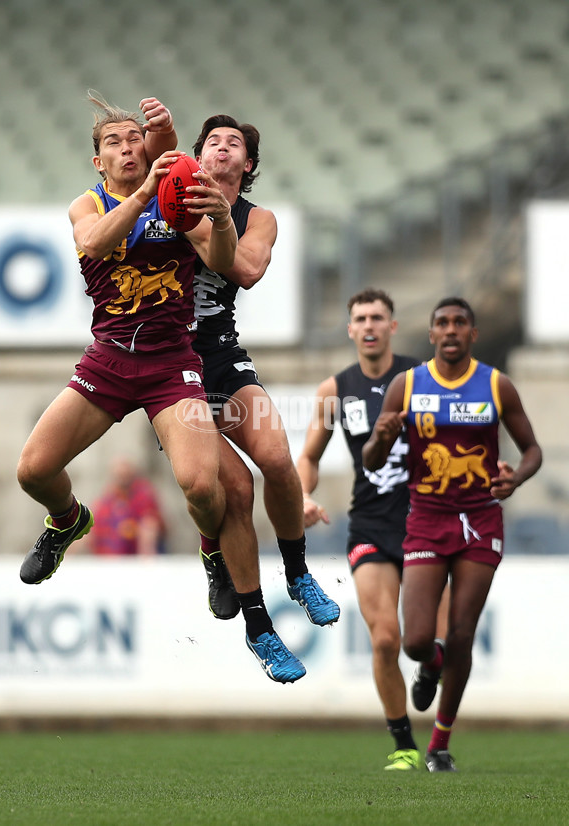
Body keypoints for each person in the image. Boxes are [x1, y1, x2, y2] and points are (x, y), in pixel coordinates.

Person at [16, 93, 236, 608]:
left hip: (171, 363)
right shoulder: (88, 204)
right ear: (100, 161)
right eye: (114, 142)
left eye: (136, 139)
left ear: (147, 146)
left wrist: (222, 220)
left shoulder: (177, 197)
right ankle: (68, 521)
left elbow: (222, 260)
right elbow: (94, 243)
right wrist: (143, 196)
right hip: (109, 357)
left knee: (201, 487)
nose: (127, 148)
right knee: (33, 470)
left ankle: (213, 554)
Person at [362, 296, 542, 772]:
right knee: (417, 640)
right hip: (426, 517)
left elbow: (533, 450)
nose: (451, 330)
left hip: (481, 520)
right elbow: (371, 461)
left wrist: (516, 478)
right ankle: (431, 663)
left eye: (460, 323)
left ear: (473, 334)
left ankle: (439, 745)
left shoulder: (496, 385)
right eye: (442, 323)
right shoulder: (408, 384)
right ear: (431, 333)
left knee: (461, 633)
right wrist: (382, 436)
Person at [187, 115, 340, 659]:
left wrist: (204, 224)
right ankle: (260, 630)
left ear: (247, 164)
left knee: (276, 458)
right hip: (172, 370)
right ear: (198, 157)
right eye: (212, 142)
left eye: (234, 144)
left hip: (223, 358)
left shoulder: (259, 218)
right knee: (234, 492)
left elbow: (248, 269)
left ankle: (297, 574)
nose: (222, 147)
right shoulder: (170, 202)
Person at [296, 288, 449, 772]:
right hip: (369, 522)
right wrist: (301, 495)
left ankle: (432, 667)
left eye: (377, 317)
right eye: (360, 318)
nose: (368, 325)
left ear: (392, 326)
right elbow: (309, 457)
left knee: (431, 640)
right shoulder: (334, 390)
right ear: (350, 329)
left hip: (426, 521)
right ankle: (404, 745)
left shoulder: (424, 378)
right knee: (384, 639)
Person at [87, 457, 170, 556]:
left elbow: (151, 523)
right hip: (108, 555)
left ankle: (147, 563)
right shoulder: (107, 497)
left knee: (148, 525)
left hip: (135, 553)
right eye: (119, 475)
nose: (122, 477)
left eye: (125, 474)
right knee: (84, 523)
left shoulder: (144, 495)